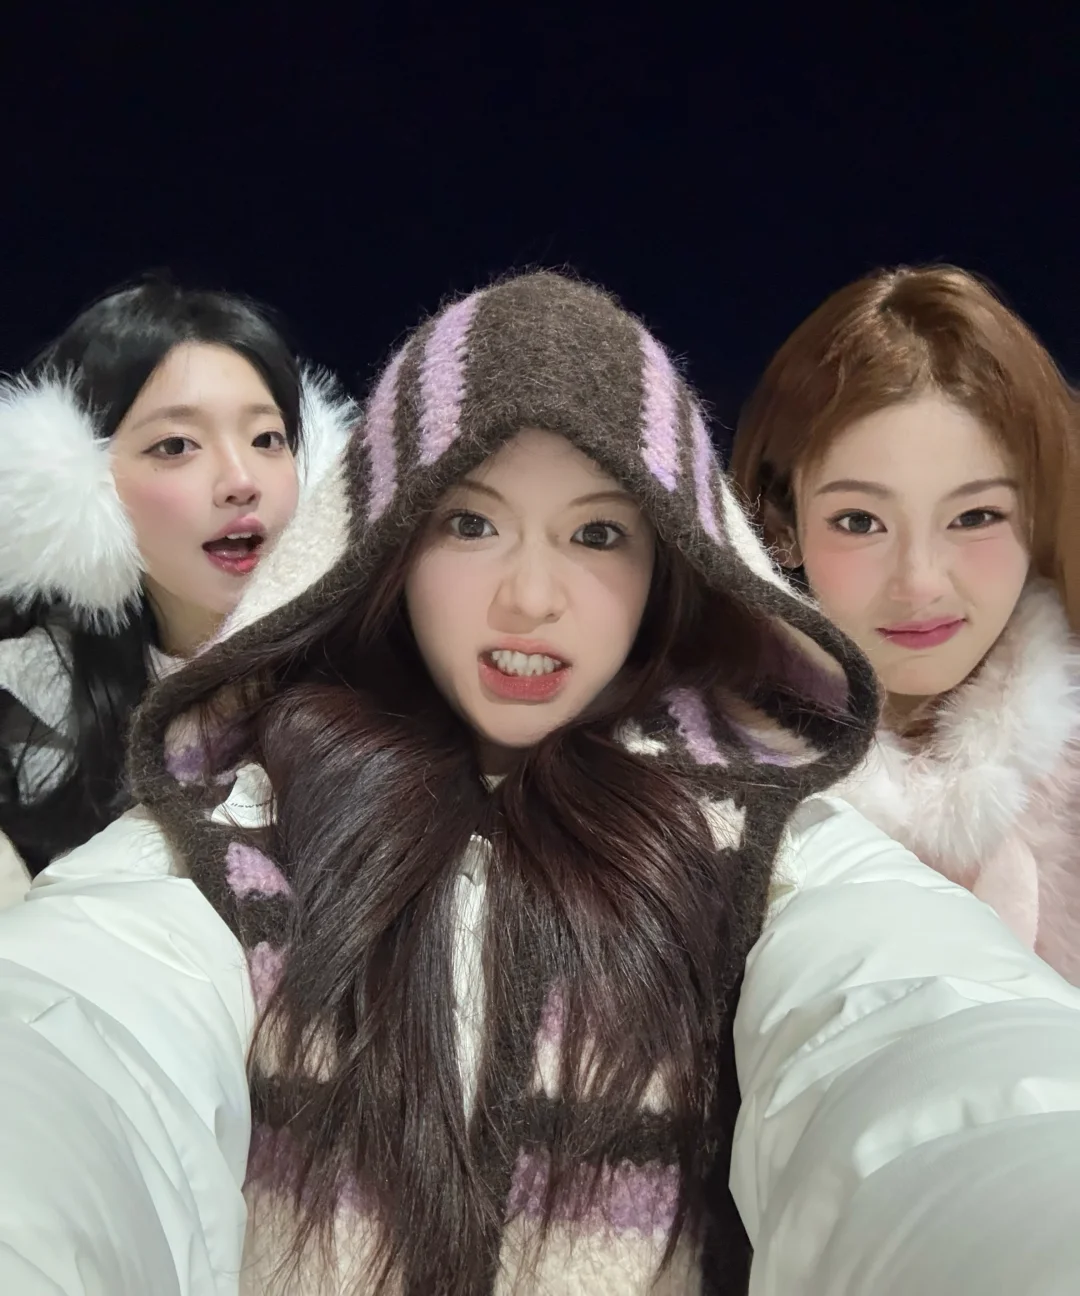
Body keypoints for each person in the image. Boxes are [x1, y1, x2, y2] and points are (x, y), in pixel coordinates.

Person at [2, 273, 1080, 1295]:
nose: (530, 596)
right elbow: (78, 1035)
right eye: (470, 523)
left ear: (673, 562)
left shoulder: (763, 840)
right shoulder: (238, 823)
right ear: (386, 544)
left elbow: (921, 1035)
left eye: (598, 533)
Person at [732, 263, 1080, 979]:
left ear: (1037, 514)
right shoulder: (687, 786)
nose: (919, 581)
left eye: (974, 516)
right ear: (781, 524)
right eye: (860, 522)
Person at [0, 274, 355, 901]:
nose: (241, 480)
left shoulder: (376, 668)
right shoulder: (34, 711)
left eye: (267, 439)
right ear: (78, 487)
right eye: (176, 445)